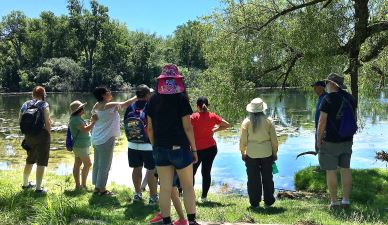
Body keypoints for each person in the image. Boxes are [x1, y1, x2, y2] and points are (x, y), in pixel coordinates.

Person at [145, 64, 199, 225]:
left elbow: (149, 128)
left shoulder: (153, 99)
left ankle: (167, 221)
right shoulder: (181, 98)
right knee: (188, 187)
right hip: (179, 148)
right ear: (177, 80)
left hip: (160, 149)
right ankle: (192, 221)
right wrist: (194, 149)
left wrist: (155, 146)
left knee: (165, 188)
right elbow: (188, 127)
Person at [317, 73, 357, 209]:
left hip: (331, 142)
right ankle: (346, 201)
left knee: (331, 170)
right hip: (347, 140)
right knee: (346, 169)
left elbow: (322, 122)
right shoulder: (350, 98)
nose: (325, 85)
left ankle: (334, 202)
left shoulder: (327, 99)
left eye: (327, 82)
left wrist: (318, 140)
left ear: (333, 84)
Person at [91, 86, 137, 196]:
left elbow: (94, 117)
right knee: (105, 165)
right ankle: (102, 190)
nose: (110, 92)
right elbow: (126, 103)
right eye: (108, 91)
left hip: (96, 138)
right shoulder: (109, 105)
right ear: (103, 95)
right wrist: (137, 96)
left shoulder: (96, 105)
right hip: (105, 139)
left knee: (97, 163)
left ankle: (97, 187)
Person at [239, 97, 278, 209]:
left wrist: (243, 152)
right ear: (262, 109)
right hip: (267, 153)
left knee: (253, 179)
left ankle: (255, 203)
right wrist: (274, 153)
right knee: (267, 178)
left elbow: (243, 141)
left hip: (251, 154)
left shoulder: (246, 122)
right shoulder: (269, 121)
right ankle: (268, 202)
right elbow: (274, 140)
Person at [191, 96, 230, 202]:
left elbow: (186, 130)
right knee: (206, 172)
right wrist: (215, 130)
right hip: (211, 148)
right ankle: (204, 197)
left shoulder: (193, 117)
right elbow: (226, 125)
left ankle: (191, 197)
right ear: (207, 106)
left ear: (197, 106)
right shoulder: (212, 116)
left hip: (196, 150)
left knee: (191, 173)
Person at [124, 84, 158, 205]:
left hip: (132, 144)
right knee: (151, 169)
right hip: (148, 144)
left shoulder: (130, 107)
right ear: (147, 94)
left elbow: (125, 124)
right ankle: (153, 197)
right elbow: (153, 126)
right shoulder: (151, 106)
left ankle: (137, 194)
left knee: (136, 168)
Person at [19, 86, 52, 193]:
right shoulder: (44, 104)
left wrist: (26, 134)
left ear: (32, 94)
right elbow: (47, 122)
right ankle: (38, 189)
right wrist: (49, 134)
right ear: (44, 95)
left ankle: (25, 184)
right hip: (42, 135)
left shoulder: (26, 104)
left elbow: (20, 120)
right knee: (41, 161)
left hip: (28, 136)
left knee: (30, 159)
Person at [69, 100, 97, 190]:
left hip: (80, 145)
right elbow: (85, 130)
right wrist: (93, 122)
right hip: (81, 146)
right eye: (82, 108)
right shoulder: (76, 119)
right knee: (88, 164)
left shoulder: (77, 118)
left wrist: (90, 123)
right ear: (79, 110)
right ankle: (83, 185)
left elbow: (83, 129)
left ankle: (78, 186)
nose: (84, 109)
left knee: (77, 164)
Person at [311, 81, 327, 152]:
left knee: (322, 150)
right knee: (319, 150)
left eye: (315, 87)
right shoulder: (320, 97)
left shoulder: (326, 98)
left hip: (324, 129)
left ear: (321, 87)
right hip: (319, 128)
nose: (314, 89)